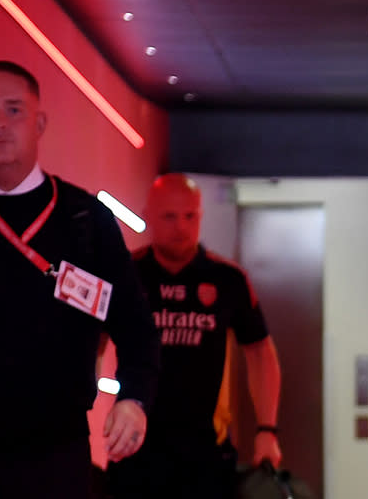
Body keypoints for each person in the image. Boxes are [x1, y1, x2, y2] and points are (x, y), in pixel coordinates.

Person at [0, 61, 160, 499]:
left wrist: (134, 401)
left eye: (14, 109)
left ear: (40, 123)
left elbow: (136, 330)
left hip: (56, 458)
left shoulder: (87, 220)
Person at [107, 173, 283, 499]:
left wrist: (266, 429)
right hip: (136, 446)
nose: (181, 227)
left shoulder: (227, 279)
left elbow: (260, 353)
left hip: (205, 452)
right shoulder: (127, 274)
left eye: (190, 216)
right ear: (149, 215)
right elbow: (90, 343)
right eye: (169, 216)